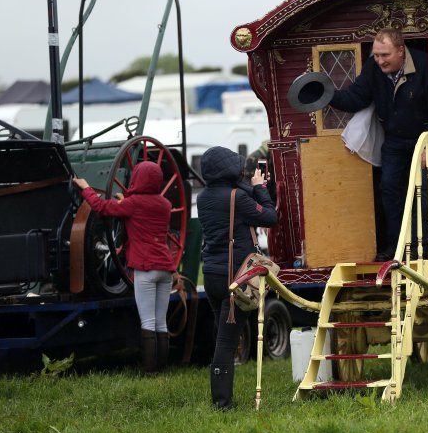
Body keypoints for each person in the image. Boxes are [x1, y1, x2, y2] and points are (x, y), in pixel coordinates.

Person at [328, 27, 428, 260]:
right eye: (376, 55)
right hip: (395, 140)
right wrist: (326, 95)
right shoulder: (373, 68)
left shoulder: (426, 64)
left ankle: (424, 249)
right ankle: (396, 247)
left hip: (424, 137)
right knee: (389, 189)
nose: (379, 61)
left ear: (401, 51)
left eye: (385, 55)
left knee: (424, 190)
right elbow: (356, 97)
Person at [72, 161, 174, 374]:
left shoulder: (133, 203)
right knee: (161, 322)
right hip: (165, 268)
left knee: (147, 321)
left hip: (145, 268)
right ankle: (162, 370)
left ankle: (150, 372)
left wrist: (85, 188)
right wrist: (125, 201)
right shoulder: (165, 204)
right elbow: (143, 212)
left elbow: (101, 207)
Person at [197, 145, 277, 410]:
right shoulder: (237, 198)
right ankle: (222, 403)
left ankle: (221, 398)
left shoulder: (203, 197)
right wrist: (260, 189)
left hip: (212, 274)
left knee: (223, 335)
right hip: (236, 276)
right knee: (227, 342)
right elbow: (269, 217)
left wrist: (250, 188)